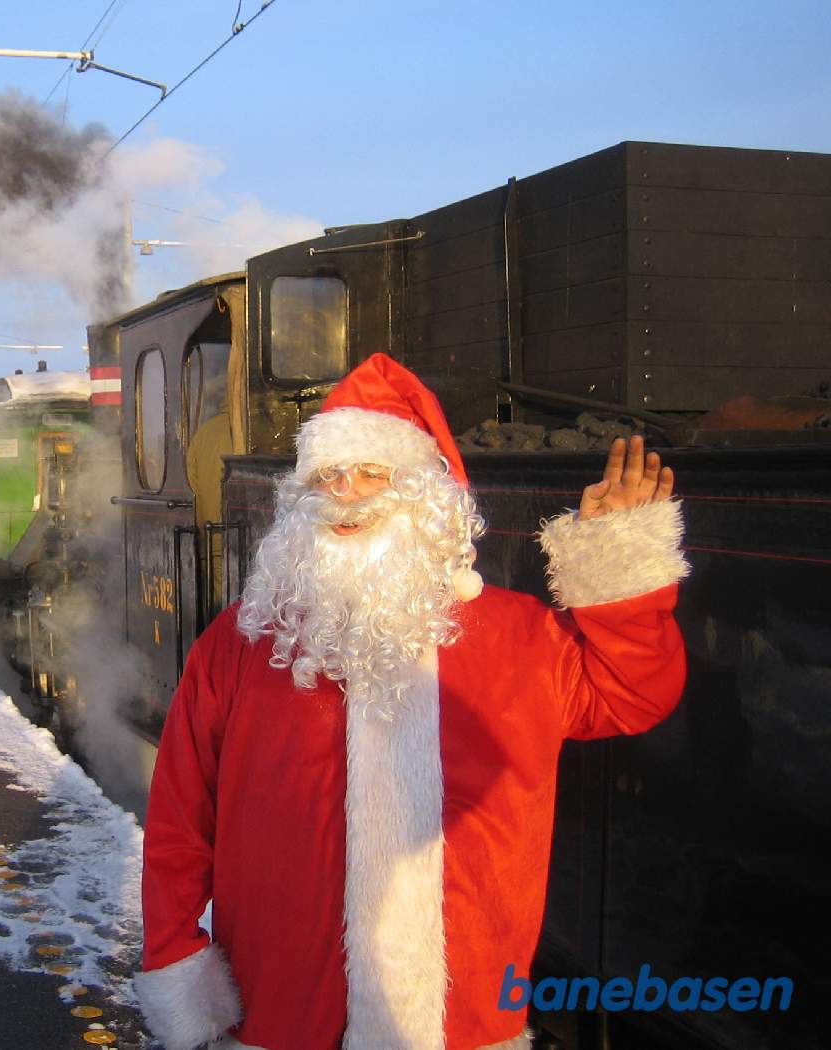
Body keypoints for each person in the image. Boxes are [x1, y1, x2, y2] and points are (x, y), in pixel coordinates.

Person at [135, 354, 689, 1050]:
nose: (349, 494)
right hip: (280, 1012)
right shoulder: (242, 640)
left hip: (461, 1022)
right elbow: (182, 816)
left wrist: (617, 559)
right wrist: (175, 954)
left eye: (374, 473)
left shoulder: (518, 636)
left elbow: (634, 695)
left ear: (427, 495)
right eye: (330, 477)